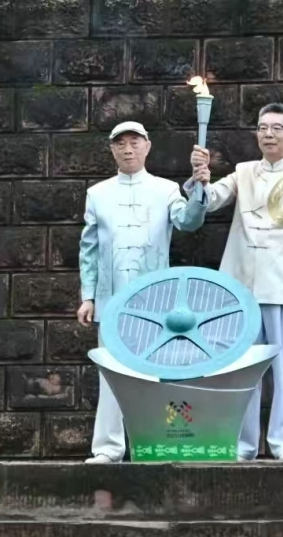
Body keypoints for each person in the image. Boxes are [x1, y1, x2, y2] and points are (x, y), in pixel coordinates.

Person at [185, 103, 283, 461]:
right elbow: (211, 201)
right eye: (263, 127)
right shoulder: (243, 171)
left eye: (277, 128)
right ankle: (242, 447)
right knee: (240, 372)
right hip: (239, 291)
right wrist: (199, 179)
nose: (268, 134)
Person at [78, 121, 208, 464]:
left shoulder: (165, 190)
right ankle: (107, 448)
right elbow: (88, 249)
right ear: (112, 150)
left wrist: (200, 190)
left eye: (134, 142)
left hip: (156, 302)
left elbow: (189, 222)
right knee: (111, 374)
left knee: (153, 374)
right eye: (120, 143)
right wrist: (87, 296)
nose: (128, 149)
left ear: (147, 146)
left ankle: (152, 445)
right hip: (110, 300)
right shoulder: (97, 193)